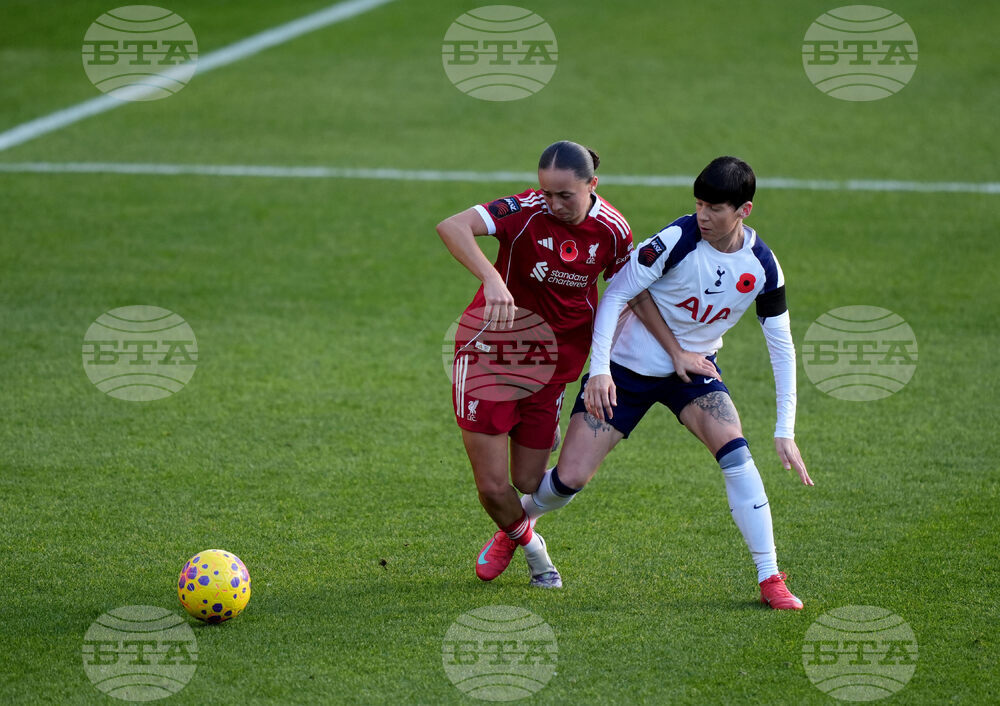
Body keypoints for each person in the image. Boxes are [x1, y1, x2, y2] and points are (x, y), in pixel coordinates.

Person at [508, 156, 814, 608]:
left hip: (693, 373)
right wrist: (600, 371)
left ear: (744, 211)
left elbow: (782, 348)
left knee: (736, 452)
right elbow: (614, 294)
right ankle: (516, 526)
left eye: (714, 209)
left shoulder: (764, 267)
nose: (703, 216)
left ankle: (770, 577)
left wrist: (785, 430)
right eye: (698, 205)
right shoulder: (675, 240)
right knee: (569, 478)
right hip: (627, 370)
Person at [436, 141, 638, 588]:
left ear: (592, 186)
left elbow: (627, 293)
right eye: (547, 193)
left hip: (554, 365)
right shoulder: (524, 209)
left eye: (565, 195)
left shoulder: (613, 229)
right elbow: (452, 226)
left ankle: (537, 459)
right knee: (492, 487)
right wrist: (491, 278)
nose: (553, 204)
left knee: (527, 481)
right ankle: (533, 550)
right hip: (491, 355)